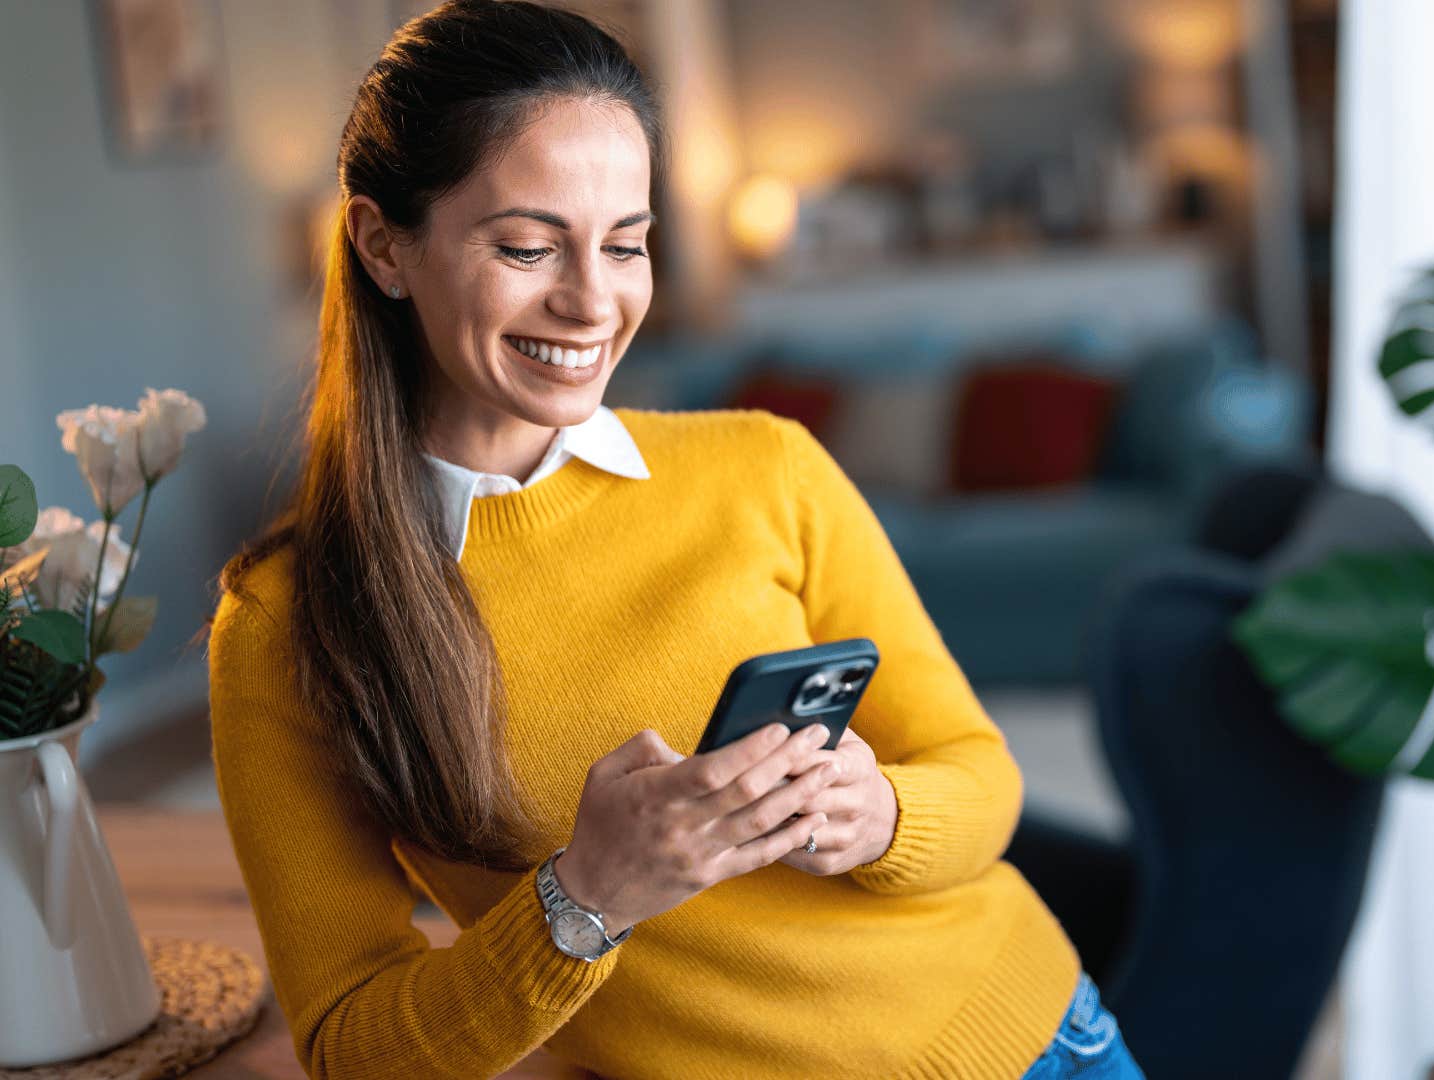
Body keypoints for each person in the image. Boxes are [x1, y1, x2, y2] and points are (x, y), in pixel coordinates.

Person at [205, 2, 1146, 1077]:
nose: (592, 302)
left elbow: (983, 773)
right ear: (383, 245)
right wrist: (586, 898)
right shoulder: (288, 625)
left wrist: (883, 813)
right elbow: (350, 1047)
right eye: (525, 245)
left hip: (1036, 1035)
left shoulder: (765, 465)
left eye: (627, 243)